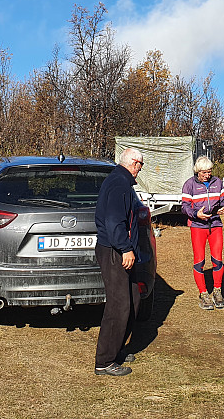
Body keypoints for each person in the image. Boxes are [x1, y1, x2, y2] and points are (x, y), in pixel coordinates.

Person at [93, 147, 145, 376]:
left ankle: (117, 349)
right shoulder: (119, 184)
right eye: (140, 165)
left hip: (122, 249)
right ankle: (104, 361)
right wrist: (125, 248)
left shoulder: (122, 183)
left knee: (133, 298)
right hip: (114, 250)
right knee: (118, 305)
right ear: (133, 163)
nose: (140, 170)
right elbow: (114, 221)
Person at [181, 156, 224, 310]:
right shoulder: (189, 184)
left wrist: (223, 208)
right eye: (204, 173)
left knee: (217, 260)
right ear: (197, 172)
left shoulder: (217, 182)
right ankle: (203, 294)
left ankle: (217, 290)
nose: (207, 175)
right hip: (197, 226)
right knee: (199, 261)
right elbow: (184, 207)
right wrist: (196, 214)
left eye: (209, 172)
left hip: (215, 225)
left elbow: (223, 200)